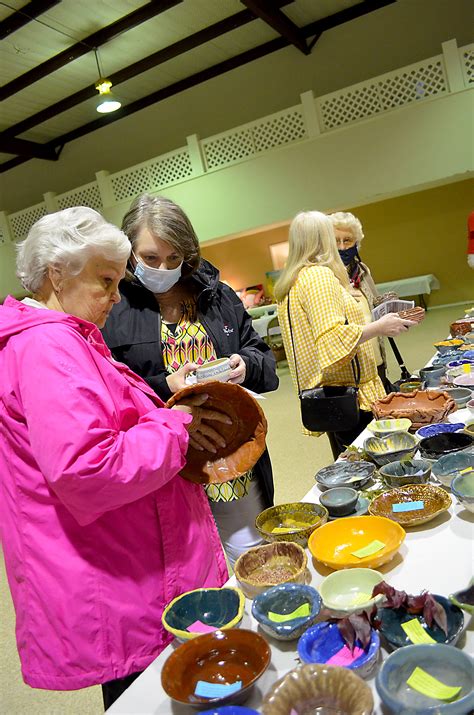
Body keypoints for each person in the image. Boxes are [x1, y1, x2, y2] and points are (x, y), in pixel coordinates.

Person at [0, 207, 229, 709]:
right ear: (57, 273)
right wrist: (175, 427)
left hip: (119, 564)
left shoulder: (60, 339)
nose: (116, 295)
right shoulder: (48, 346)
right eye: (106, 280)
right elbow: (88, 468)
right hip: (116, 579)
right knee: (147, 697)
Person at [102, 194, 279, 566]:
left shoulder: (215, 296)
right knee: (188, 574)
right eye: (150, 258)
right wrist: (166, 386)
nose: (162, 268)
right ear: (129, 252)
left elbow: (264, 361)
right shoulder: (114, 308)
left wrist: (244, 365)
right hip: (165, 472)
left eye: (173, 258)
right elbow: (108, 395)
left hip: (229, 459)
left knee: (254, 562)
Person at [274, 211, 418, 458]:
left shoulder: (292, 281)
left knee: (351, 462)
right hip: (350, 391)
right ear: (324, 238)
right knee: (372, 460)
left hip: (330, 394)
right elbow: (332, 339)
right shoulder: (318, 276)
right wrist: (379, 327)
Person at [328, 211, 392, 391]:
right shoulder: (324, 277)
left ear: (356, 242)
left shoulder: (362, 271)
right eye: (336, 241)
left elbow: (374, 308)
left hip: (376, 358)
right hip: (349, 370)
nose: (341, 247)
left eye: (347, 240)